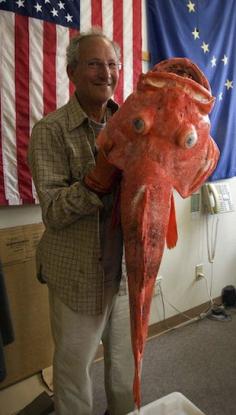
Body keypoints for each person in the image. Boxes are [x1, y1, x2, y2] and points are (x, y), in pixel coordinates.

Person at [28, 28, 135, 415]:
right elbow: (54, 211)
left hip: (124, 272)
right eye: (94, 64)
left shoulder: (132, 126)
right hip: (76, 275)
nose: (106, 73)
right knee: (74, 374)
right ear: (73, 72)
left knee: (126, 369)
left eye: (112, 64)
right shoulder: (50, 131)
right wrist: (95, 180)